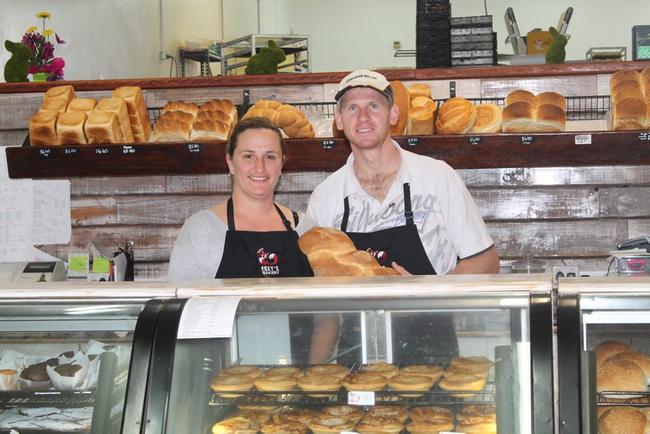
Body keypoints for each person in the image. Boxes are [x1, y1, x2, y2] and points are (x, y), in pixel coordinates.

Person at [306, 69, 499, 364]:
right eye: (351, 108)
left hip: (432, 350)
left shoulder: (436, 177)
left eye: (374, 105)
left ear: (393, 114)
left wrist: (428, 292)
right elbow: (315, 296)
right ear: (339, 120)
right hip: (355, 355)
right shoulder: (326, 195)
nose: (363, 117)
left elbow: (487, 262)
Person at [168, 117, 336, 363]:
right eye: (248, 156)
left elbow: (327, 317)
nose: (260, 167)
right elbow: (180, 315)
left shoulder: (305, 229)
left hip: (298, 382)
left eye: (270, 156)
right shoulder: (202, 229)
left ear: (282, 164)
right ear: (230, 162)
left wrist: (311, 383)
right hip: (223, 383)